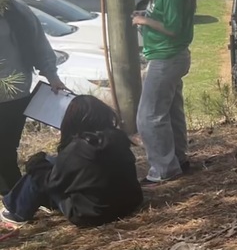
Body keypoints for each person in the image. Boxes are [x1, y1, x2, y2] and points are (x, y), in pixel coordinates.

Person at [0, 95, 142, 229]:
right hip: (129, 203)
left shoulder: (77, 148)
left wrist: (35, 164)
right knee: (50, 161)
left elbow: (50, 183)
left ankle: (16, 212)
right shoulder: (118, 138)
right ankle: (21, 203)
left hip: (92, 214)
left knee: (37, 172)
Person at [132, 0, 196, 185]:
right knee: (170, 111)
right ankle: (179, 158)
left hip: (166, 58)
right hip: (169, 57)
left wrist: (143, 20)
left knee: (148, 116)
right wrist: (146, 15)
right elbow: (167, 20)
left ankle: (164, 169)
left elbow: (173, 28)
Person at [0, 0, 66, 196]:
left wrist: (52, 76)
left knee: (6, 151)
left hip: (15, 95)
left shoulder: (17, 10)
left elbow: (39, 45)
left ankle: (17, 197)